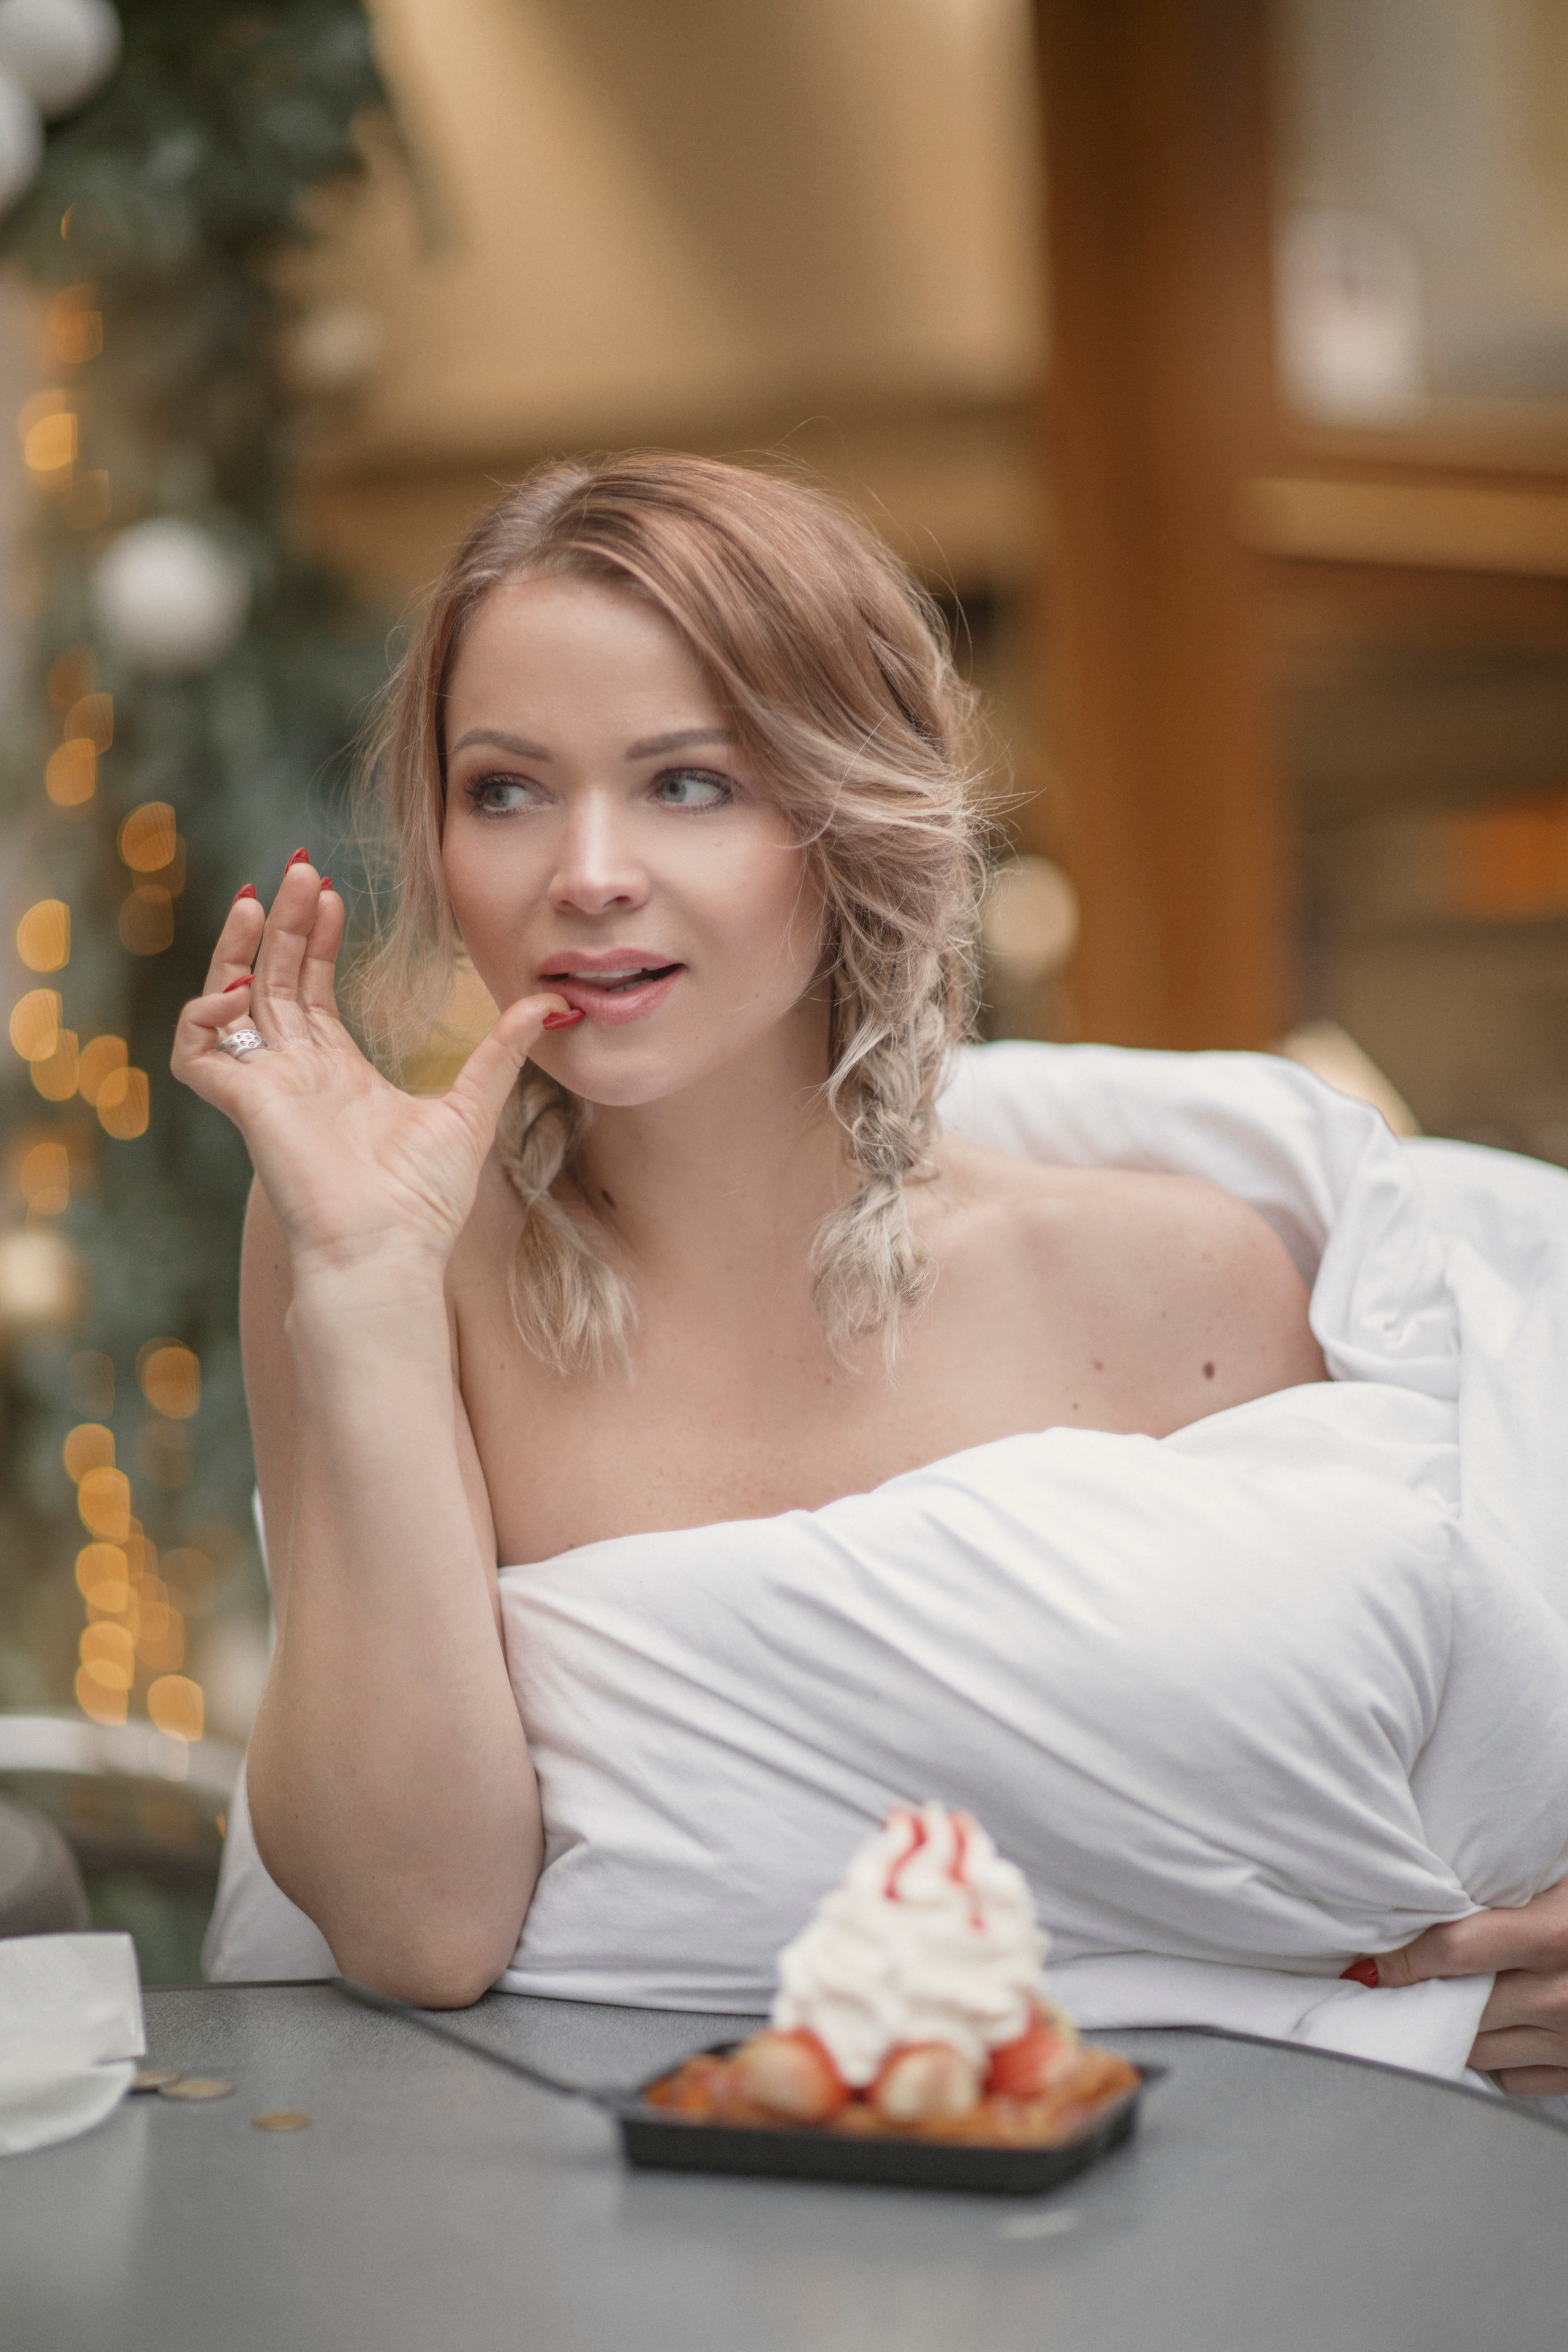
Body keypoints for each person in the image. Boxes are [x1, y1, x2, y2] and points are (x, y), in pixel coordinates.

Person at [173, 454, 1568, 2090]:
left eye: (688, 782)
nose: (588, 870)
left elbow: (1359, 1814)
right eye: (507, 788)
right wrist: (360, 1294)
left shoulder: (1167, 1281)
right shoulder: (361, 1247)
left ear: (843, 810)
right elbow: (419, 1925)